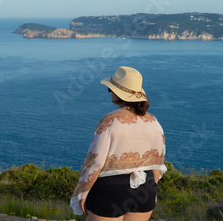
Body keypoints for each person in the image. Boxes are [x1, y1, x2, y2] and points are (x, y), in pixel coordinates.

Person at [70, 66, 167, 220]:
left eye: (111, 89)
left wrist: (83, 190)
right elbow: (157, 160)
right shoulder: (153, 121)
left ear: (118, 93)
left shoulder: (110, 121)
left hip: (110, 190)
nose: (110, 92)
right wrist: (152, 188)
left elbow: (96, 161)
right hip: (145, 188)